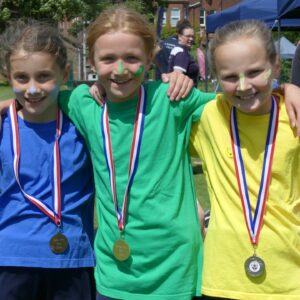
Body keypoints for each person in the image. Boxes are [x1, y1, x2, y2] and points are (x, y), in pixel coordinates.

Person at [58, 6, 217, 300]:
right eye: (108, 59)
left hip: (174, 273)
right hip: (113, 276)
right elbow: (34, 94)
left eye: (132, 58)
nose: (120, 70)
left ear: (148, 59)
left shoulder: (172, 99)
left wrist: (286, 90)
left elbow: (239, 98)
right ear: (92, 61)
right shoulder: (84, 103)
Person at [190, 20, 300, 299]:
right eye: (229, 77)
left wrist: (290, 88)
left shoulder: (295, 116)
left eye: (254, 72)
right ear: (215, 76)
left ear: (276, 66)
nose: (243, 86)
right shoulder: (208, 116)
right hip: (222, 280)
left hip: (289, 279)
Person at [0, 21, 96, 300]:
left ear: (64, 73)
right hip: (10, 260)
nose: (32, 89)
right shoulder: (4, 127)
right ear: (8, 77)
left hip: (72, 260)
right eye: (21, 78)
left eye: (43, 77)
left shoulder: (83, 124)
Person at [167, 19, 199, 86]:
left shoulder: (178, 49)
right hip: (185, 93)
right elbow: (178, 77)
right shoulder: (181, 53)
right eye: (188, 36)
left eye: (192, 36)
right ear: (180, 36)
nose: (191, 39)